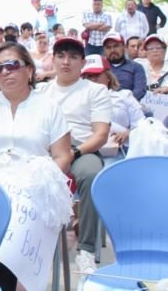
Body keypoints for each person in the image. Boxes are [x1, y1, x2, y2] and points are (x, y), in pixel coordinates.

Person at [0, 41, 72, 290]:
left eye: (12, 65)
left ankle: (2, 284)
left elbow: (62, 156)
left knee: (15, 218)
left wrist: (42, 180)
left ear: (29, 69)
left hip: (31, 187)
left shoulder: (48, 107)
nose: (5, 71)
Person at [37, 36, 111, 274]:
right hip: (46, 148)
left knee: (92, 175)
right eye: (61, 56)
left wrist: (74, 152)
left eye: (73, 57)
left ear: (82, 63)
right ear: (53, 60)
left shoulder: (95, 90)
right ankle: (32, 243)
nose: (66, 62)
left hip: (81, 148)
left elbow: (100, 134)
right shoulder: (40, 91)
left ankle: (86, 250)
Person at [81, 54, 144, 151]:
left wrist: (128, 133)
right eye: (89, 76)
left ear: (108, 77)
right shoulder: (77, 101)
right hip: (87, 151)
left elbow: (142, 125)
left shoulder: (125, 96)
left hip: (122, 150)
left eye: (97, 75)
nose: (93, 80)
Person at [102, 32, 147, 101]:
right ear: (104, 50)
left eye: (116, 46)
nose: (112, 50)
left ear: (124, 47)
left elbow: (140, 91)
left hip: (129, 106)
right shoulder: (100, 67)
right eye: (108, 47)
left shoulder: (136, 67)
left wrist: (121, 102)